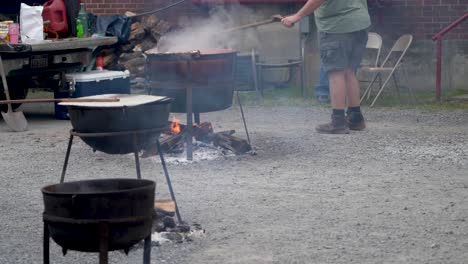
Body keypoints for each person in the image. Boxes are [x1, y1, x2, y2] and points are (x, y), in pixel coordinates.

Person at [282, 0, 370, 134]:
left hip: (337, 26)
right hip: (360, 23)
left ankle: (338, 122)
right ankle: (355, 117)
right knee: (349, 71)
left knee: (336, 73)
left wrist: (297, 16)